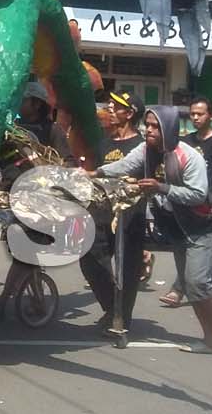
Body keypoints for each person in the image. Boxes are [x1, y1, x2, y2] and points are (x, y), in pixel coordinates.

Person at [94, 106, 212, 359]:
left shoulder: (187, 156)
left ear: (169, 128)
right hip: (178, 229)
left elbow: (198, 194)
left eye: (154, 126)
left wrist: (162, 187)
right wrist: (95, 173)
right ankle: (208, 337)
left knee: (198, 282)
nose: (148, 130)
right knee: (193, 287)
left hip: (202, 226)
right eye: (147, 125)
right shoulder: (146, 150)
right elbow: (125, 165)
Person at [77, 91, 148, 332]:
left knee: (128, 269)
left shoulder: (142, 147)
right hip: (101, 213)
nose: (109, 108)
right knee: (89, 257)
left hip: (131, 216)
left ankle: (121, 319)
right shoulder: (103, 144)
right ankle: (112, 307)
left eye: (116, 106)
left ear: (129, 114)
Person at [159, 97, 212, 306]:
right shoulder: (187, 142)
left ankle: (179, 289)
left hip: (210, 207)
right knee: (195, 250)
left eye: (200, 114)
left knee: (200, 248)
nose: (195, 118)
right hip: (185, 205)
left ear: (211, 115)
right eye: (192, 114)